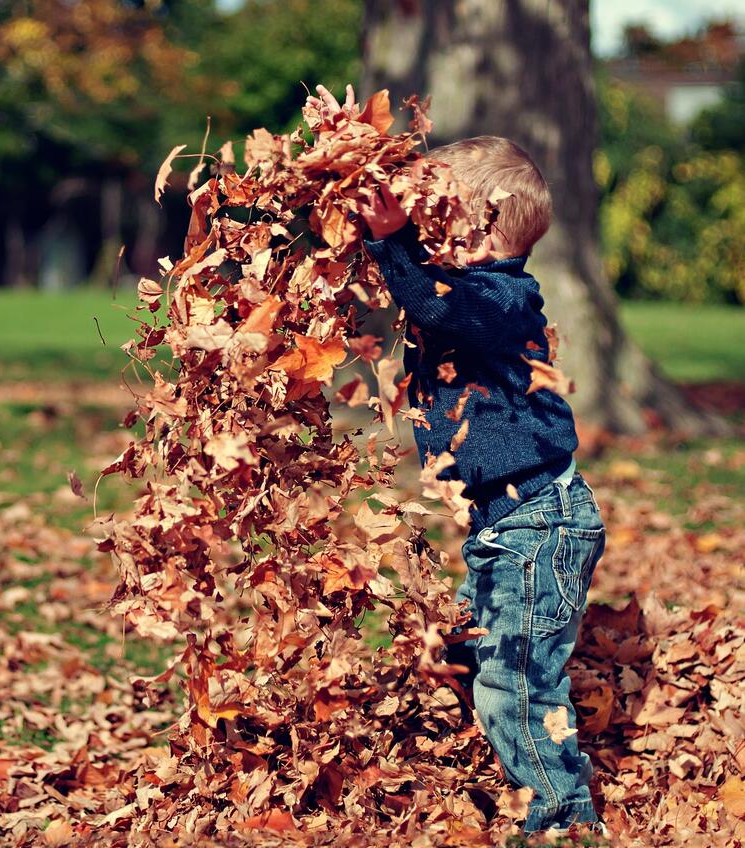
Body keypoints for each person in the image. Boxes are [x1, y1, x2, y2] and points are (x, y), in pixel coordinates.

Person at [310, 85, 607, 835]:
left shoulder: (502, 299)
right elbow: (425, 296)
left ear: (477, 233)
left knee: (514, 681)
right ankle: (535, 768)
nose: (419, 227)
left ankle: (564, 820)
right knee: (479, 658)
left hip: (540, 523)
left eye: (434, 215)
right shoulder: (466, 288)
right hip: (507, 526)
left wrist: (391, 241)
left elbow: (436, 305)